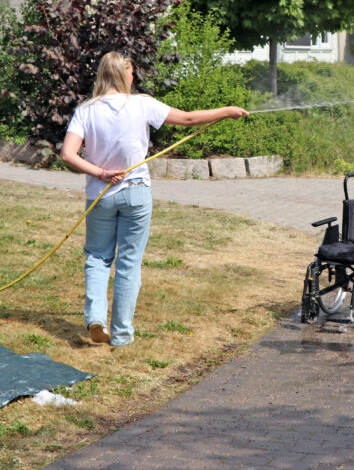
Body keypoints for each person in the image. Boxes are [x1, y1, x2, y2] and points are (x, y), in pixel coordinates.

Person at [61, 51, 249, 347]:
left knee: (97, 257)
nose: (133, 76)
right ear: (122, 74)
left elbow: (67, 154)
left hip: (100, 196)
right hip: (136, 193)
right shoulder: (142, 104)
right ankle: (121, 335)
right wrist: (227, 111)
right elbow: (188, 119)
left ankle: (95, 317)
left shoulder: (86, 110)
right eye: (131, 72)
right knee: (128, 263)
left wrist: (100, 173)